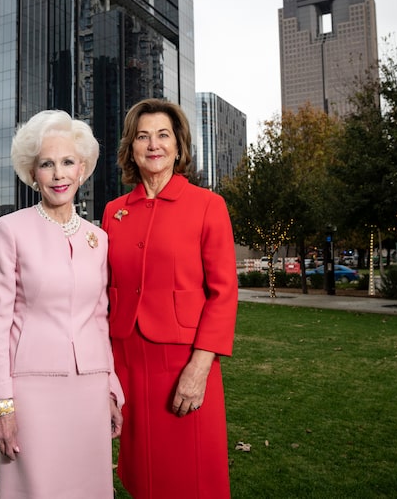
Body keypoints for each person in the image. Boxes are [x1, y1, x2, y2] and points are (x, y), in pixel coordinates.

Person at [0, 110, 124, 499]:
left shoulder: (98, 239)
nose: (59, 174)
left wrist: (110, 389)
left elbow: (100, 319)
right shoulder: (11, 230)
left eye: (68, 162)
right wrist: (3, 405)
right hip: (31, 391)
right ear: (32, 172)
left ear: (83, 169)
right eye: (47, 164)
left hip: (89, 389)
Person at [102, 98, 238, 498]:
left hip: (184, 365)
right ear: (131, 147)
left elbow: (224, 293)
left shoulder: (208, 206)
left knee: (191, 476)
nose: (153, 144)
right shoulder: (113, 212)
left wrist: (200, 368)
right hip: (126, 361)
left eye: (163, 135)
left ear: (178, 146)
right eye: (143, 136)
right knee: (143, 476)